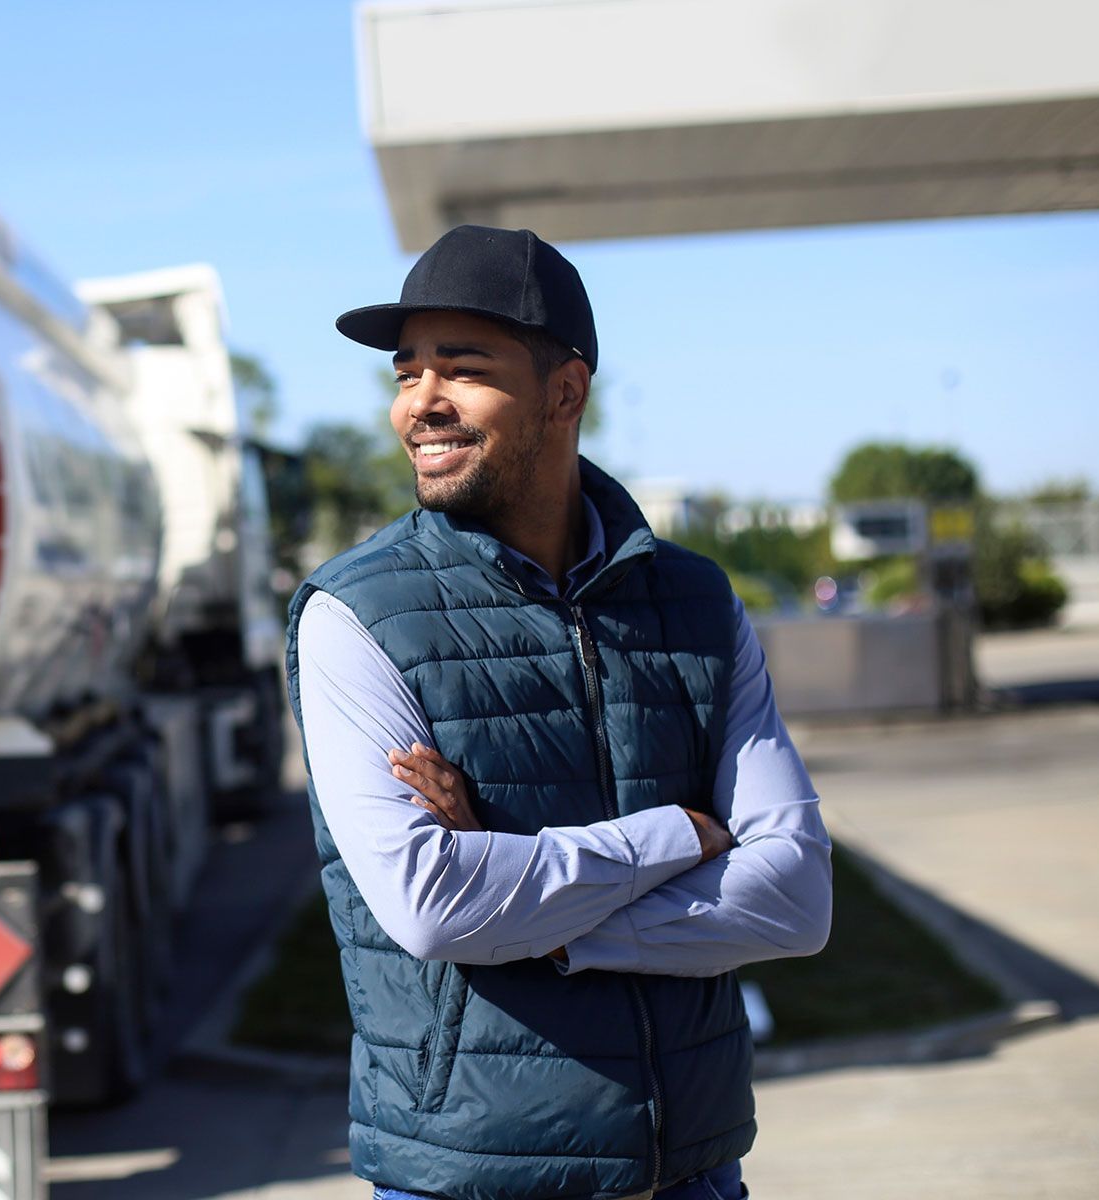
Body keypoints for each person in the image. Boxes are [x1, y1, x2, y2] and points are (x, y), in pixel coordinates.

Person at [285, 225, 833, 1200]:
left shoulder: (697, 605)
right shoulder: (357, 614)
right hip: (469, 1177)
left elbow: (794, 900)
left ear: (566, 391)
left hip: (694, 1171)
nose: (421, 405)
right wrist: (681, 836)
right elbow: (435, 903)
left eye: (461, 370)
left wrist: (542, 916)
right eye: (406, 373)